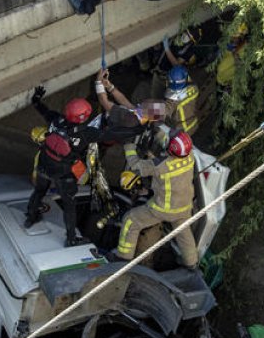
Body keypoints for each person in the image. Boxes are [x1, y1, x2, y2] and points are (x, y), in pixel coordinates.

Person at [27, 85, 134, 247]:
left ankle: (31, 217)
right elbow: (108, 135)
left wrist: (36, 99)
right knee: (69, 205)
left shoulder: (56, 120)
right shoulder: (85, 133)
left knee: (39, 191)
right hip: (62, 173)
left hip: (44, 164)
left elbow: (43, 110)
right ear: (82, 117)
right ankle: (71, 238)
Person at [114, 129, 199, 268]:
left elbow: (135, 165)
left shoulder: (159, 166)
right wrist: (157, 131)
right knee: (184, 233)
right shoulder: (190, 156)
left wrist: (128, 146)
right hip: (184, 206)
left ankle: (123, 258)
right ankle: (192, 263)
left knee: (131, 220)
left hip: (162, 209)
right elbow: (168, 144)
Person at [165, 65, 200, 136]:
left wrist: (142, 110)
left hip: (183, 133)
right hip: (194, 125)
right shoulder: (194, 88)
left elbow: (162, 110)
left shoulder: (173, 100)